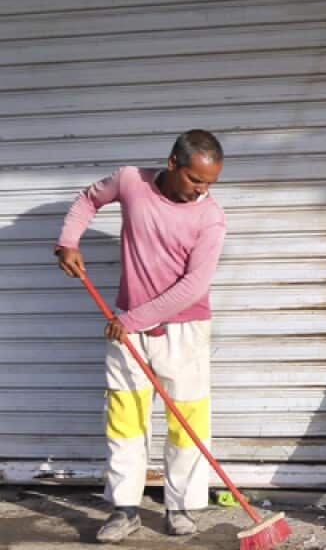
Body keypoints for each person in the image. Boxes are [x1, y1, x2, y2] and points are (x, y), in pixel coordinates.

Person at [54, 130, 227, 543]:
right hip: (127, 326)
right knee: (124, 421)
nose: (201, 191)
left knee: (186, 422)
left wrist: (134, 320)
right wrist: (67, 241)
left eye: (209, 183)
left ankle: (180, 507)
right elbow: (87, 200)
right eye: (195, 180)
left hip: (183, 330)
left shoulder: (211, 217)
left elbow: (193, 287)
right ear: (172, 164)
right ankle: (124, 509)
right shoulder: (131, 181)